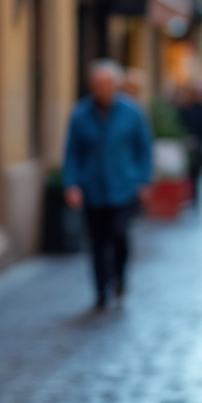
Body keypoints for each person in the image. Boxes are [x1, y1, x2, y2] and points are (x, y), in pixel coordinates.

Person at [62, 59, 153, 309]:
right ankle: (101, 289)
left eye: (107, 83)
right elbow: (72, 153)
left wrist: (144, 180)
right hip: (93, 188)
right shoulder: (81, 114)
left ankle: (120, 278)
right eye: (98, 84)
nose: (102, 88)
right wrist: (72, 184)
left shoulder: (132, 112)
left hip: (124, 186)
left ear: (116, 85)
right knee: (97, 241)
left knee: (120, 234)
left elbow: (144, 149)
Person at [176, 86, 202, 205]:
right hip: (185, 142)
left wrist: (198, 139)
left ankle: (195, 195)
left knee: (196, 171)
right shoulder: (182, 108)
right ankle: (188, 195)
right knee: (186, 170)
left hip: (198, 143)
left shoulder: (201, 108)